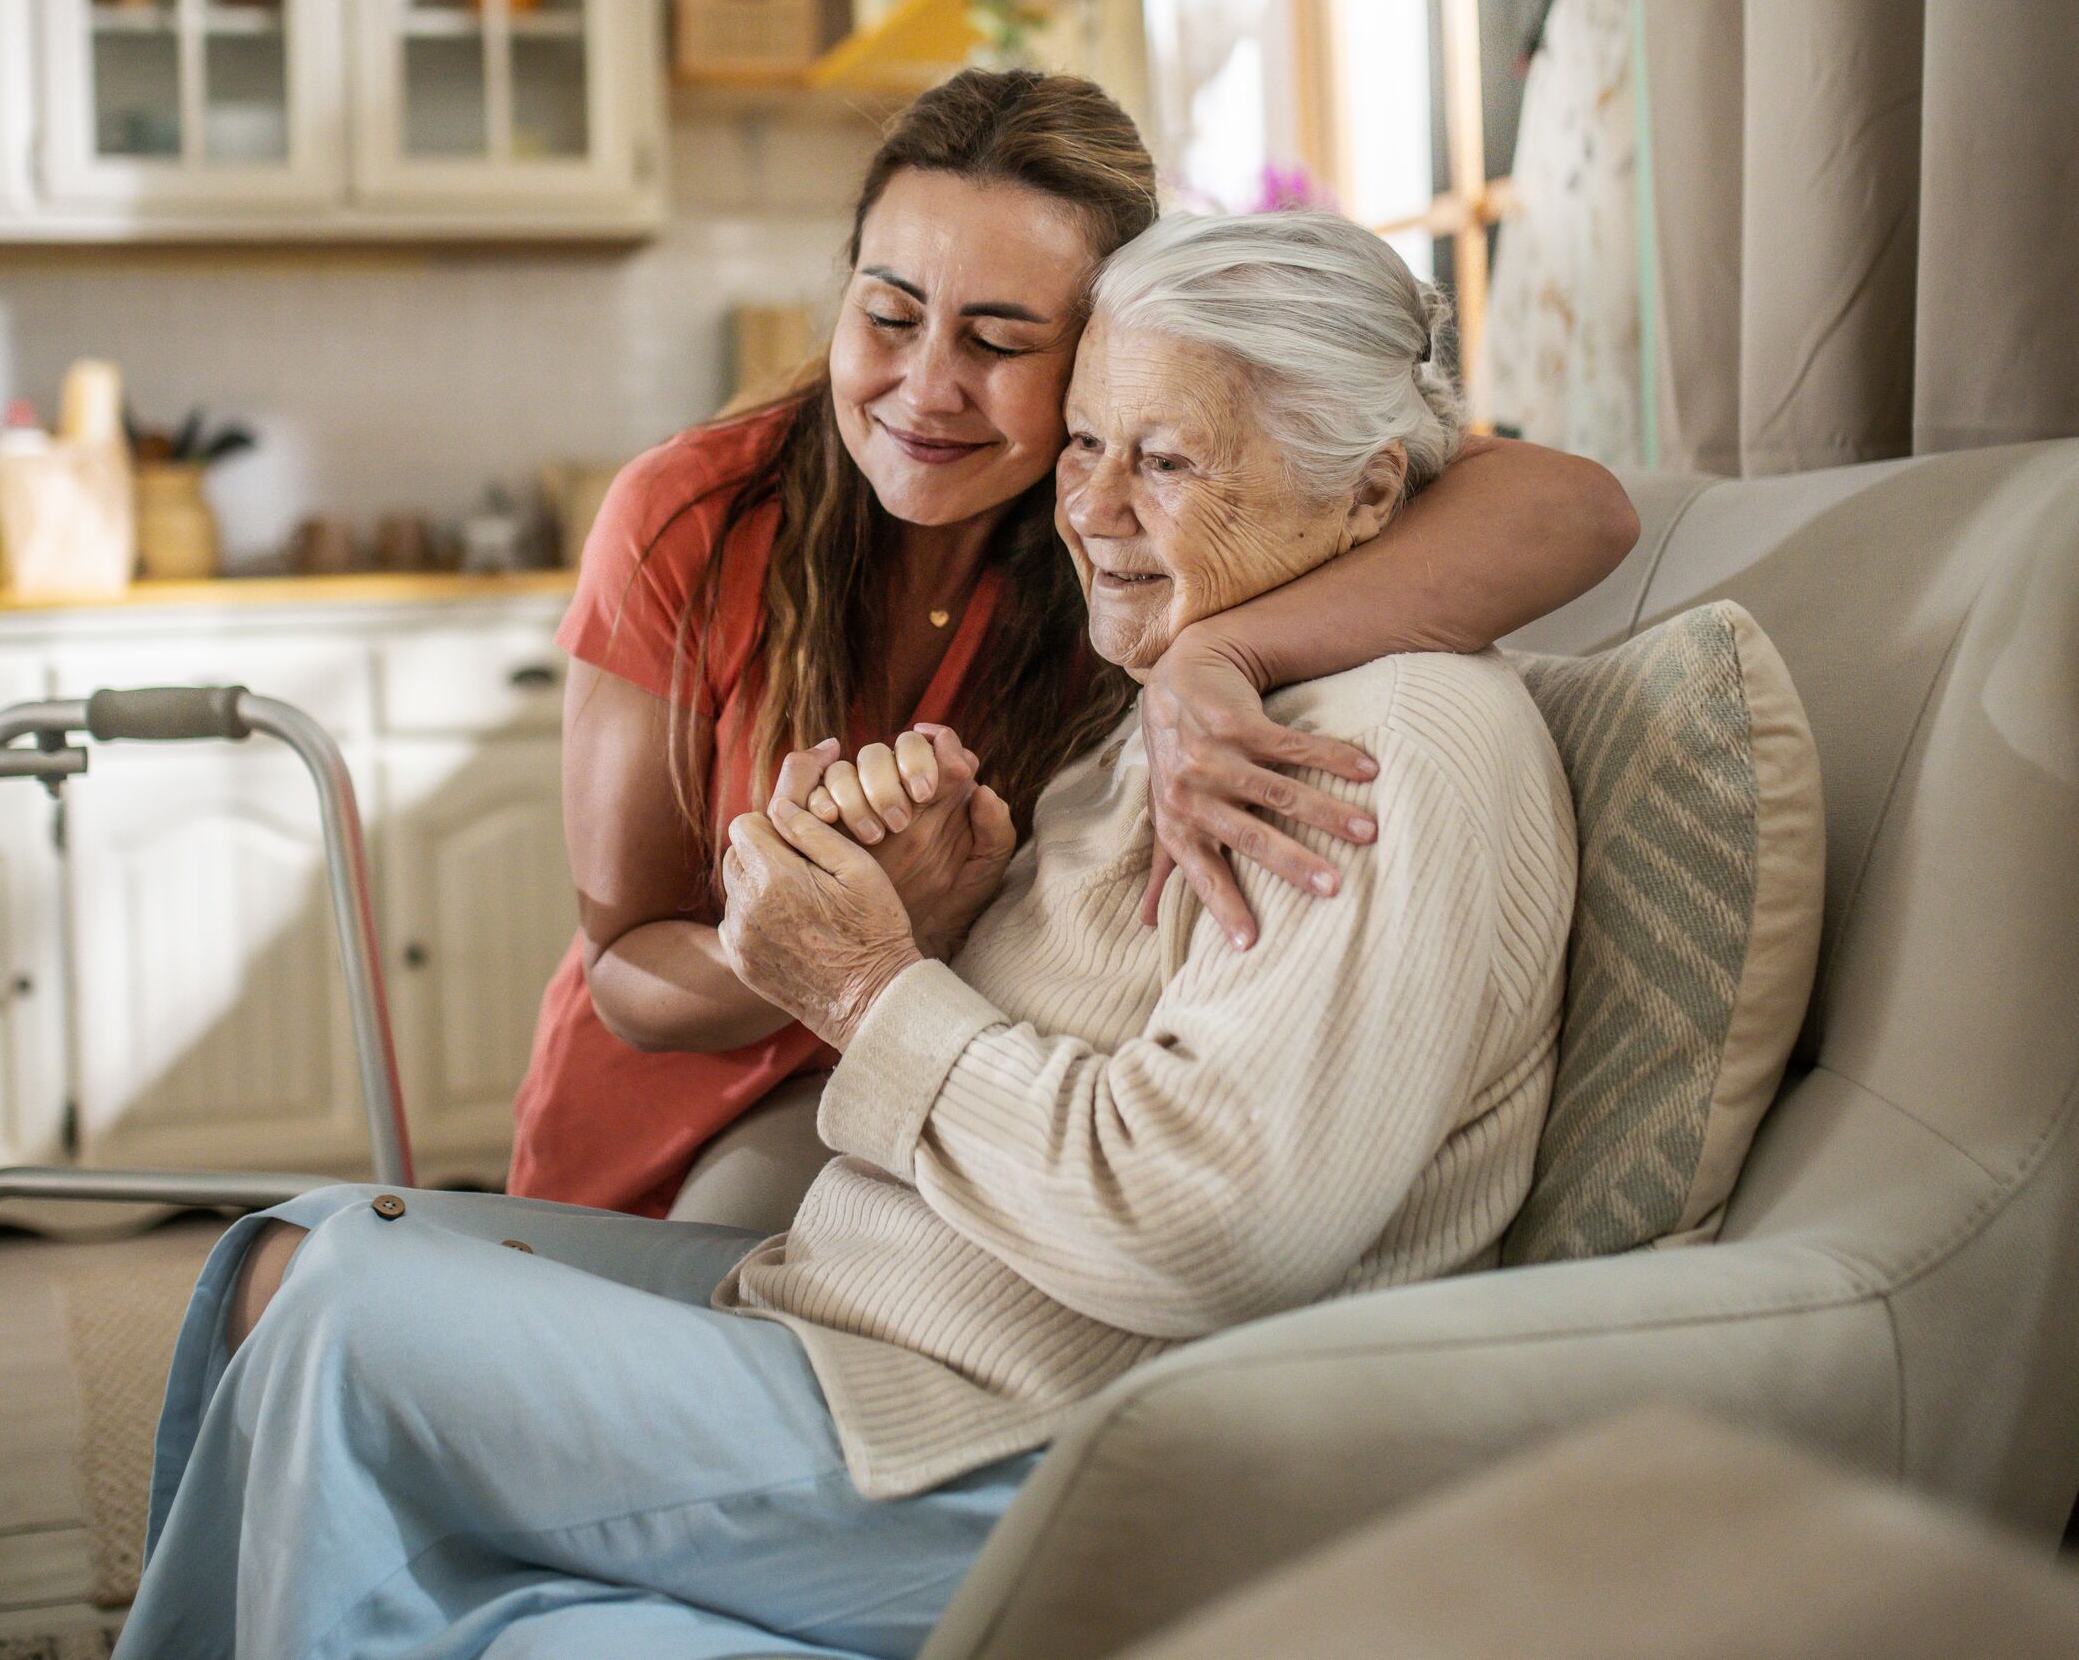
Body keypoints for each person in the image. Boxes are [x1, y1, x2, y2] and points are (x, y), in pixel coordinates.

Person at [114, 208, 1579, 1660]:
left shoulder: (1386, 752)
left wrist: (873, 984)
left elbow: (1209, 1222)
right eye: (1084, 443)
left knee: (350, 1320)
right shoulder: (1201, 698)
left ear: (1373, 493)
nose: (1093, 506)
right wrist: (910, 901)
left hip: (1004, 1439)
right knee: (294, 1251)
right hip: (863, 1332)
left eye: (1171, 459)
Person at [515, 68, 1631, 1225]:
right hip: (655, 1127)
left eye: (999, 340)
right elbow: (625, 971)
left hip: (935, 1119)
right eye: (887, 316)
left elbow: (1576, 509)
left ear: (1100, 349)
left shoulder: (1122, 540)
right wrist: (827, 937)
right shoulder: (695, 517)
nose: (925, 389)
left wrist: (1220, 655)